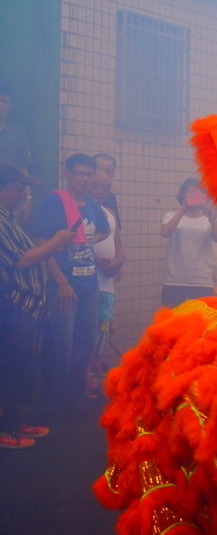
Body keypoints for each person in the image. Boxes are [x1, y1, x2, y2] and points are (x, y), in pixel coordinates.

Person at [0, 164, 73, 446]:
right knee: (13, 368)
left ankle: (16, 422)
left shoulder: (10, 217)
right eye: (19, 188)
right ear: (2, 188)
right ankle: (6, 429)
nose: (23, 194)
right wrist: (54, 241)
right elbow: (22, 260)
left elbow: (31, 254)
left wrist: (55, 246)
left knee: (25, 368)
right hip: (13, 307)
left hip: (27, 308)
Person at [32, 154, 108, 415]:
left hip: (90, 289)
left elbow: (105, 230)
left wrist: (87, 240)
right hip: (64, 287)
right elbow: (41, 241)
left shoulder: (92, 205)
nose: (85, 179)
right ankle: (52, 406)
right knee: (60, 350)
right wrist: (61, 281)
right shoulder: (55, 201)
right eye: (80, 173)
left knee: (83, 349)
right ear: (68, 173)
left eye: (89, 174)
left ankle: (74, 403)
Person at [89, 168, 124, 395]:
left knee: (103, 329)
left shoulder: (110, 212)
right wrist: (95, 260)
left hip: (107, 284)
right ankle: (85, 376)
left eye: (106, 187)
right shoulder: (80, 210)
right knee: (86, 330)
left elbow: (118, 245)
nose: (101, 191)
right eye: (97, 186)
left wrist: (119, 262)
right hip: (87, 283)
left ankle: (95, 369)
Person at [160, 177, 217, 307]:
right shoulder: (171, 215)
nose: (194, 196)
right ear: (183, 195)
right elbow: (165, 232)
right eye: (190, 192)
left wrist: (211, 215)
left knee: (200, 323)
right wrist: (183, 210)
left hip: (202, 281)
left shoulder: (207, 219)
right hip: (175, 280)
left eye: (198, 193)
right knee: (173, 323)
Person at [0, 83, 33, 177]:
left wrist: (27, 192)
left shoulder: (18, 134)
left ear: (10, 106)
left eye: (4, 101)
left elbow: (23, 168)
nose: (1, 105)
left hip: (9, 188)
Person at [92, 152, 124, 230]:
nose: (103, 173)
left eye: (107, 171)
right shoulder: (81, 195)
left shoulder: (111, 197)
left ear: (113, 173)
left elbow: (114, 229)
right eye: (99, 169)